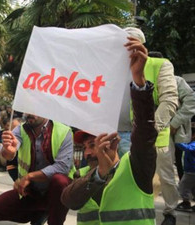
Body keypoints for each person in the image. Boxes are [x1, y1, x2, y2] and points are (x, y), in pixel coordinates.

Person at [61, 36, 158, 225]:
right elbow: (68, 200)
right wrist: (99, 175)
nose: (89, 152)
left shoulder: (136, 168)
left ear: (113, 142)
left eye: (93, 144)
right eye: (85, 147)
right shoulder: (83, 175)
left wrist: (139, 83)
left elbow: (145, 132)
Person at [122, 27, 179, 225]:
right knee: (131, 181)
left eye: (131, 44)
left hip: (153, 135)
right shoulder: (113, 68)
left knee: (164, 177)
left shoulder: (160, 65)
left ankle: (170, 212)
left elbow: (170, 100)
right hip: (121, 136)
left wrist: (150, 132)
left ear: (141, 45)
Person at [0, 113, 74, 225]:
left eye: (33, 109)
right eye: (26, 109)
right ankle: (40, 212)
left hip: (57, 193)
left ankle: (54, 219)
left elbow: (62, 167)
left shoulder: (64, 131)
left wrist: (29, 177)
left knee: (59, 181)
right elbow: (7, 152)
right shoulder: (21, 129)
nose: (29, 113)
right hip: (31, 191)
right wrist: (8, 151)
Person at [169, 76, 195, 180]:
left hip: (177, 133)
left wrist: (174, 123)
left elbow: (191, 102)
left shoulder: (177, 81)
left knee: (180, 159)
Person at [174, 130, 195, 212]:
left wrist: (177, 142)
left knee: (183, 186)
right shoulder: (192, 143)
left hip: (191, 171)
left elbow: (187, 148)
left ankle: (186, 203)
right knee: (193, 188)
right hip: (190, 170)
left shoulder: (193, 144)